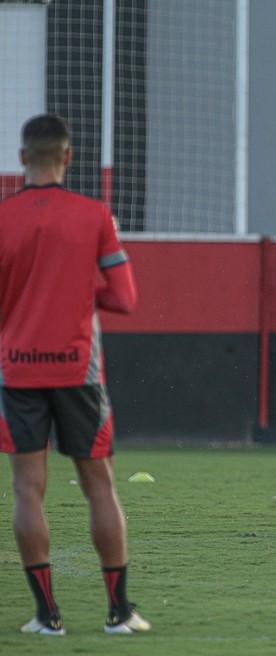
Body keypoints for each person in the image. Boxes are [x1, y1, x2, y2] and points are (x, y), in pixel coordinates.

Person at [0, 115, 150, 634]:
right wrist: (81, 294)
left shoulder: (3, 218)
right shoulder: (95, 215)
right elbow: (126, 299)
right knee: (99, 486)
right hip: (78, 369)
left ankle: (47, 617)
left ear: (21, 159)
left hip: (17, 369)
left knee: (27, 490)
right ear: (68, 157)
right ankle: (118, 613)